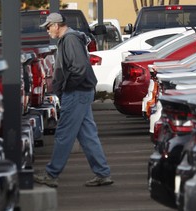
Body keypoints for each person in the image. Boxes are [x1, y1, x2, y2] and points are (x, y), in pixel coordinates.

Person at [33, 12, 113, 188]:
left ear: (56, 25)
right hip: (81, 92)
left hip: (76, 93)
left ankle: (52, 174)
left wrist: (66, 87)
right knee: (87, 135)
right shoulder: (71, 38)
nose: (47, 31)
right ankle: (102, 173)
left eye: (48, 27)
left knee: (63, 134)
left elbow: (79, 68)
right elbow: (79, 68)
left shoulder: (69, 39)